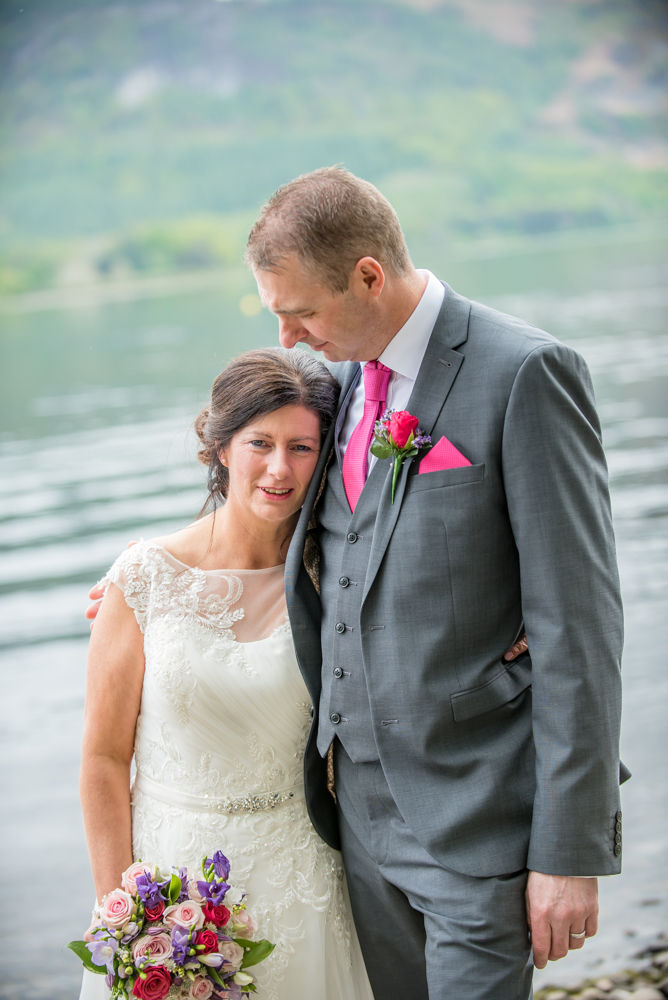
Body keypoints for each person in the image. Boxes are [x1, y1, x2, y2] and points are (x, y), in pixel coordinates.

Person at [241, 167, 626, 999]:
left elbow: (580, 626)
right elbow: (283, 526)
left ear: (369, 276)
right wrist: (156, 585)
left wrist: (569, 852)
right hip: (355, 821)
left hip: (477, 817)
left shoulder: (525, 372)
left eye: (301, 310)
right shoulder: (334, 382)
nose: (289, 334)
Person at [78, 347, 374, 1000]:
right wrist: (124, 920)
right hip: (173, 884)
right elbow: (102, 759)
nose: (279, 469)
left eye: (302, 447)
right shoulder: (145, 577)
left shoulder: (341, 580)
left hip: (306, 875)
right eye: (259, 443)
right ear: (218, 446)